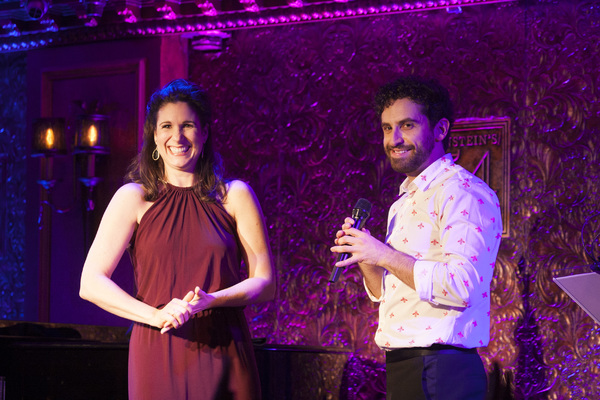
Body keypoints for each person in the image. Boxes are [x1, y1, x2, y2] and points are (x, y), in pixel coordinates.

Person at [80, 79, 275, 400]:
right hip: (157, 347)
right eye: (167, 126)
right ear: (154, 137)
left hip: (224, 345)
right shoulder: (133, 197)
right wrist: (154, 316)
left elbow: (265, 283)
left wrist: (212, 300)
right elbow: (90, 283)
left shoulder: (235, 195)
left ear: (205, 133)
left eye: (187, 125)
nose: (177, 136)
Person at [330, 76, 502, 400]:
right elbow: (388, 293)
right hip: (406, 366)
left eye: (407, 125)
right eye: (386, 128)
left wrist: (383, 254)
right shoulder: (405, 201)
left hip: (442, 368)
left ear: (440, 130)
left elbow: (462, 284)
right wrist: (366, 255)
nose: (394, 139)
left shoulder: (461, 192)